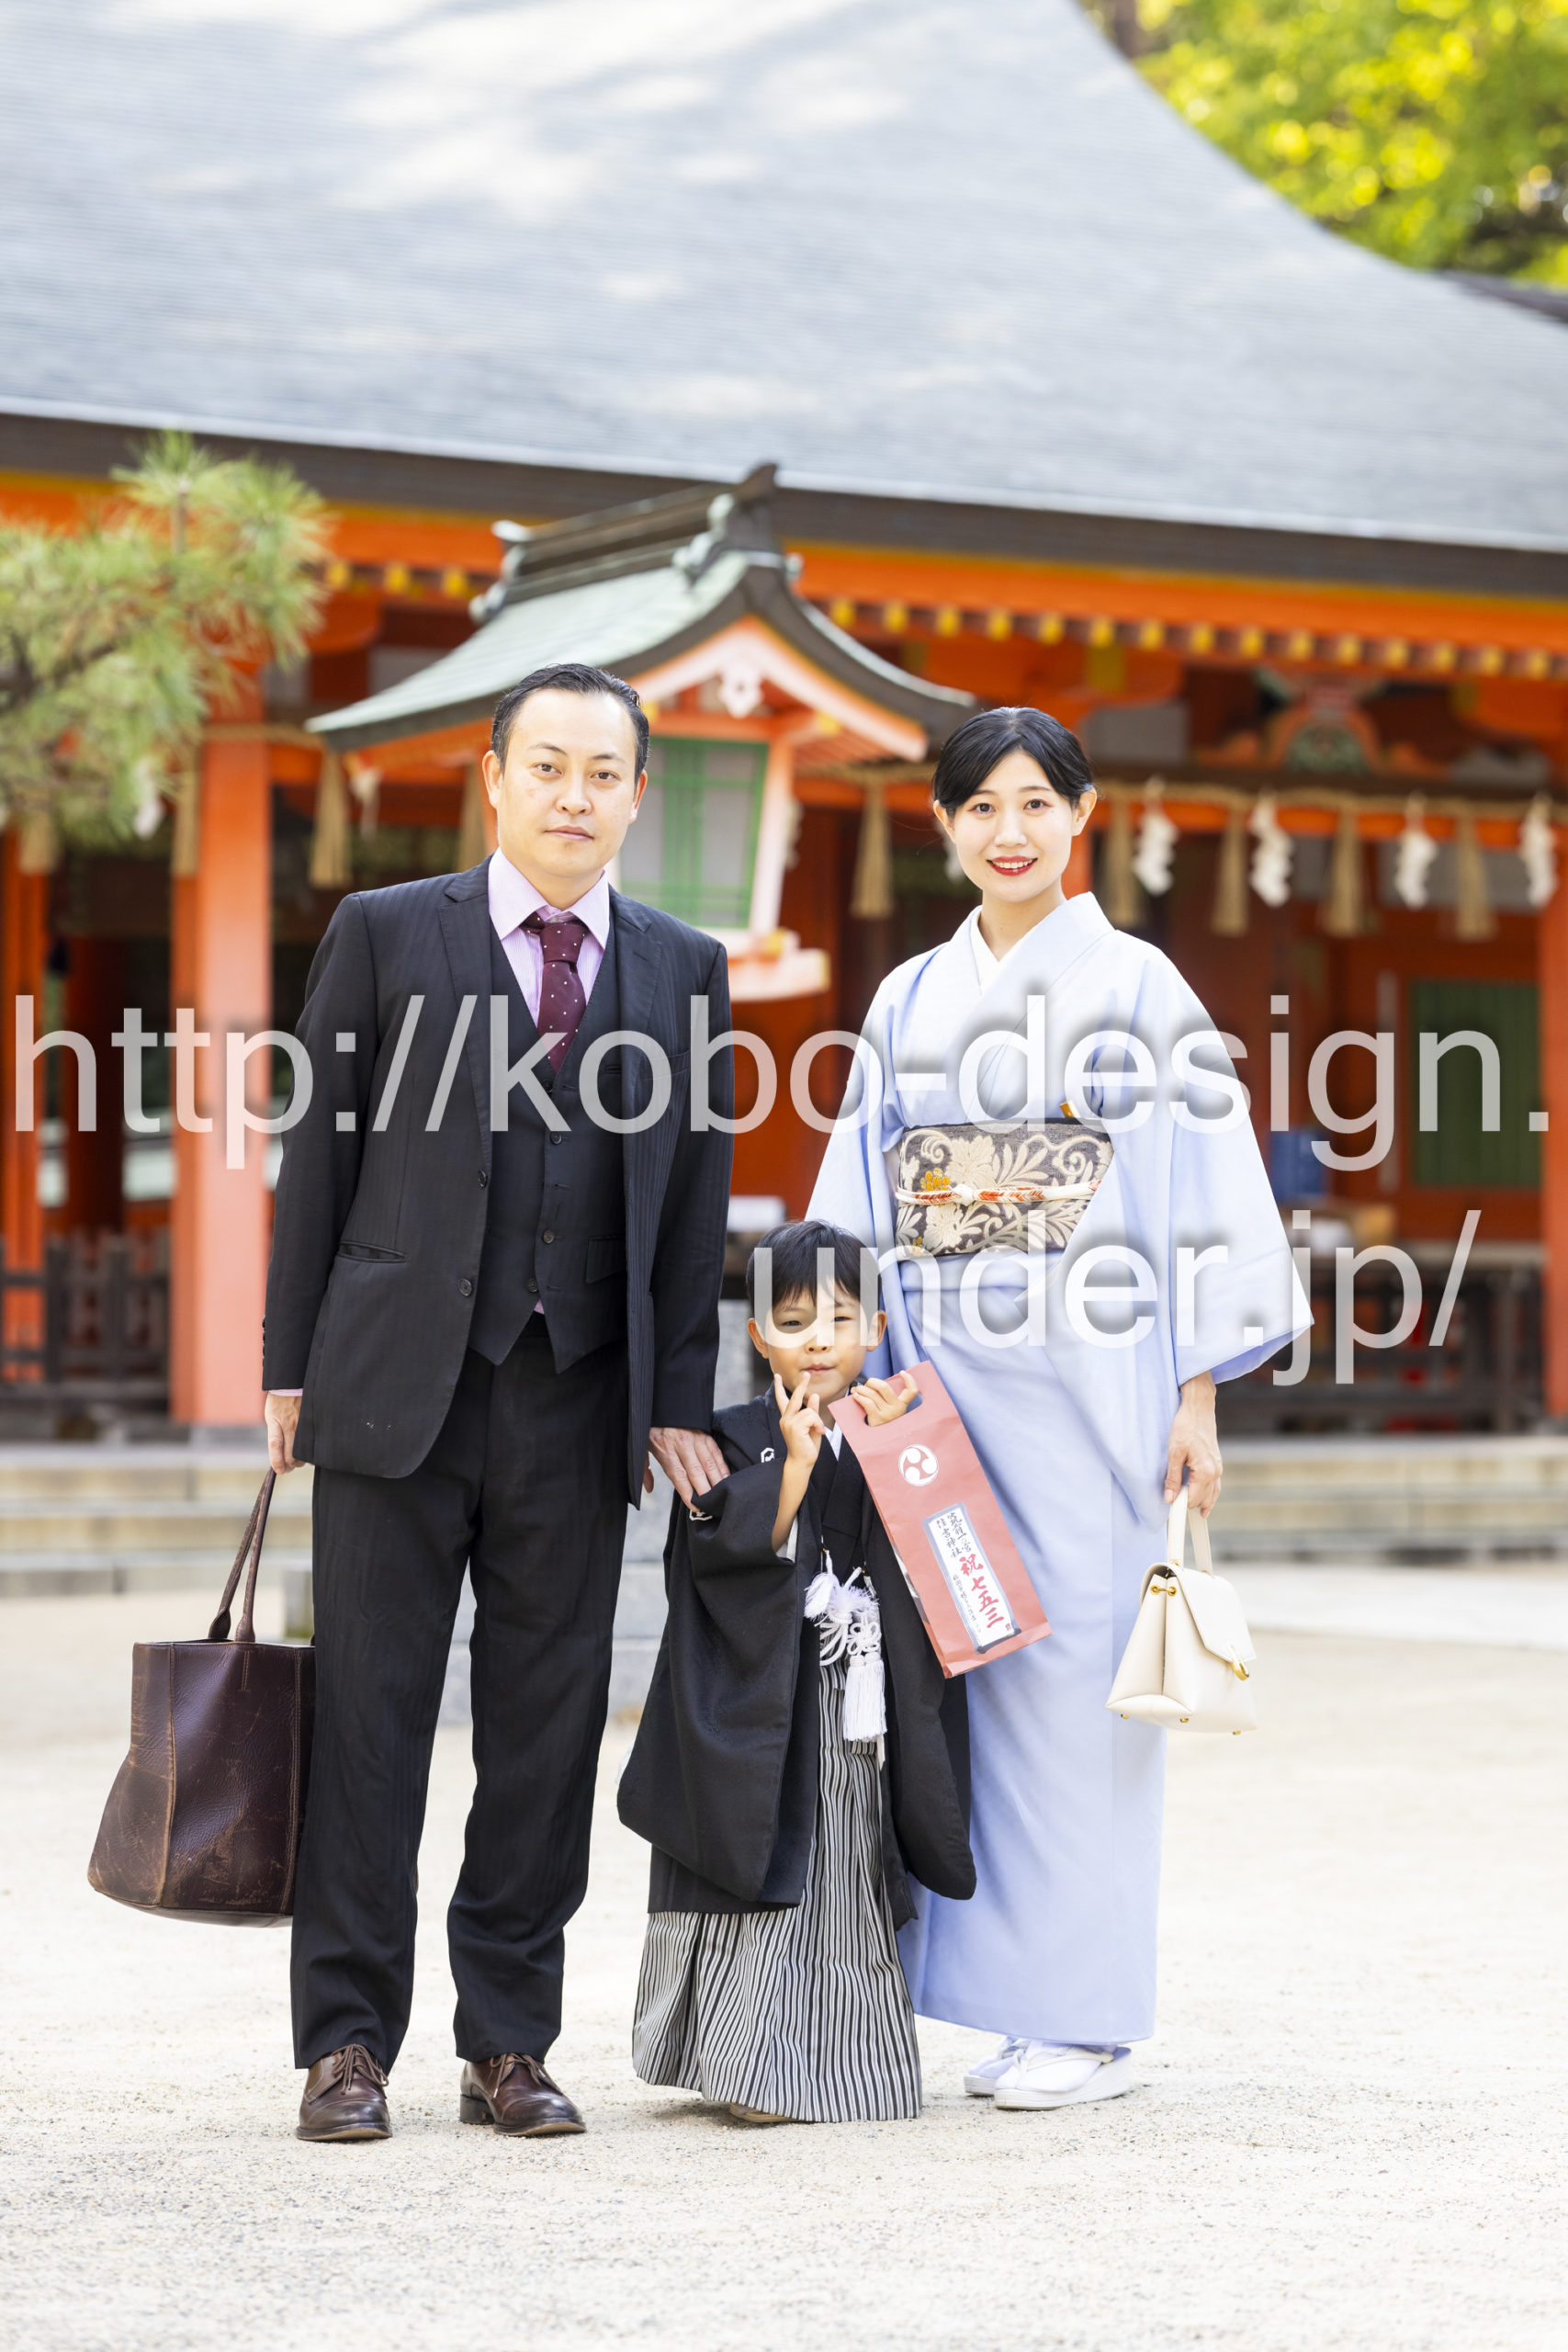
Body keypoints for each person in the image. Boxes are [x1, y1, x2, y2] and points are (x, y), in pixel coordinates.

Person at [807, 706, 1306, 2111]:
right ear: (943, 826)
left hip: (1096, 1378)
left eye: (1035, 802)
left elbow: (1202, 1191)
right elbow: (858, 1188)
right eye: (979, 807)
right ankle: (1001, 2002)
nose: (1008, 831)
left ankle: (1084, 2020)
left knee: (1082, 1686)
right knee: (958, 1681)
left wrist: (1196, 1397)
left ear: (1081, 815)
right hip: (940, 1378)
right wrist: (840, 1352)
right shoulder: (910, 994)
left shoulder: (1139, 986)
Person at [263, 662, 733, 2143]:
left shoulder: (682, 967)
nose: (572, 796)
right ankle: (346, 2044)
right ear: (493, 779)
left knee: (545, 1728)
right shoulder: (386, 930)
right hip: (393, 1385)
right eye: (546, 767)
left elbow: (691, 1202)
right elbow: (318, 1154)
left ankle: (508, 2042)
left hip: (578, 1399)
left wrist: (677, 1391)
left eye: (601, 774)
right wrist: (287, 1364)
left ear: (636, 796)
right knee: (368, 1716)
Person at [617, 1220, 975, 2125]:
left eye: (840, 1318)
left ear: (876, 1329)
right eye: (793, 1319)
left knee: (841, 1869)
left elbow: (946, 1557)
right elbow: (714, 1561)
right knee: (760, 1865)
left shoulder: (897, 1428)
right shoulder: (731, 1436)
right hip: (763, 1699)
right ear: (756, 1334)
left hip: (853, 1701)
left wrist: (904, 1457)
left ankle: (844, 2066)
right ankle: (748, 2064)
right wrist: (794, 1469)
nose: (818, 1339)